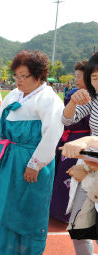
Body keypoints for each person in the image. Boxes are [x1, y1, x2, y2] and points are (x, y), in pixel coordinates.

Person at [0, 50, 64, 254]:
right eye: (16, 75)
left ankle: (18, 249)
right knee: (0, 198)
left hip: (31, 159)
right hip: (10, 156)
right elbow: (0, 121)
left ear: (39, 75)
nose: (18, 80)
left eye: (23, 76)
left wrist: (36, 164)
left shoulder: (49, 99)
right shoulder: (15, 94)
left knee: (23, 205)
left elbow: (51, 135)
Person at [62, 52, 98, 255]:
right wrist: (73, 102)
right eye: (94, 78)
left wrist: (90, 140)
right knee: (79, 226)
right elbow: (67, 120)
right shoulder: (93, 99)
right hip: (90, 169)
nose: (97, 82)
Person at [50, 60, 90, 223]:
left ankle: (69, 213)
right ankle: (56, 209)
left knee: (74, 177)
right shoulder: (73, 93)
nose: (76, 79)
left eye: (80, 76)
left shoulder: (91, 97)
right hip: (67, 138)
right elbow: (66, 118)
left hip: (83, 141)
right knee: (60, 175)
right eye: (75, 76)